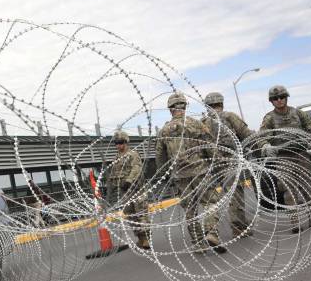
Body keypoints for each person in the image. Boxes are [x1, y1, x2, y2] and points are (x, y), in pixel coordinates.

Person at [156, 92, 226, 254]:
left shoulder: (164, 131)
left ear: (170, 109)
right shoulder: (197, 125)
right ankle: (211, 233)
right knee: (211, 201)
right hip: (200, 171)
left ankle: (199, 244)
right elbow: (210, 148)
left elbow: (160, 158)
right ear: (185, 107)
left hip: (180, 175)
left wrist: (166, 175)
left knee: (190, 209)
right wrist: (219, 165)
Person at [259, 85, 311, 233]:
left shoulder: (298, 113)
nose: (279, 100)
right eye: (275, 98)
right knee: (289, 190)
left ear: (286, 97)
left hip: (302, 154)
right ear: (271, 101)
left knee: (308, 187)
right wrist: (266, 146)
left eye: (282, 97)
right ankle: (295, 222)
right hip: (283, 157)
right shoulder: (269, 118)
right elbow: (262, 136)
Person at [201, 92, 254, 238]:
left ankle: (211, 230)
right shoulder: (229, 116)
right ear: (221, 104)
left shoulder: (203, 123)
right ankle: (239, 227)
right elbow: (247, 134)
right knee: (235, 195)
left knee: (212, 199)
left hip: (212, 165)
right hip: (230, 161)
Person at [106, 131, 151, 249]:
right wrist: (112, 185)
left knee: (141, 213)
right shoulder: (117, 158)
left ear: (126, 142)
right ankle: (140, 238)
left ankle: (146, 239)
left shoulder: (133, 154)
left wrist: (129, 181)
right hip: (124, 191)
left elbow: (136, 168)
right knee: (130, 215)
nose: (118, 145)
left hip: (136, 189)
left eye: (120, 142)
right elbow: (115, 173)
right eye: (116, 143)